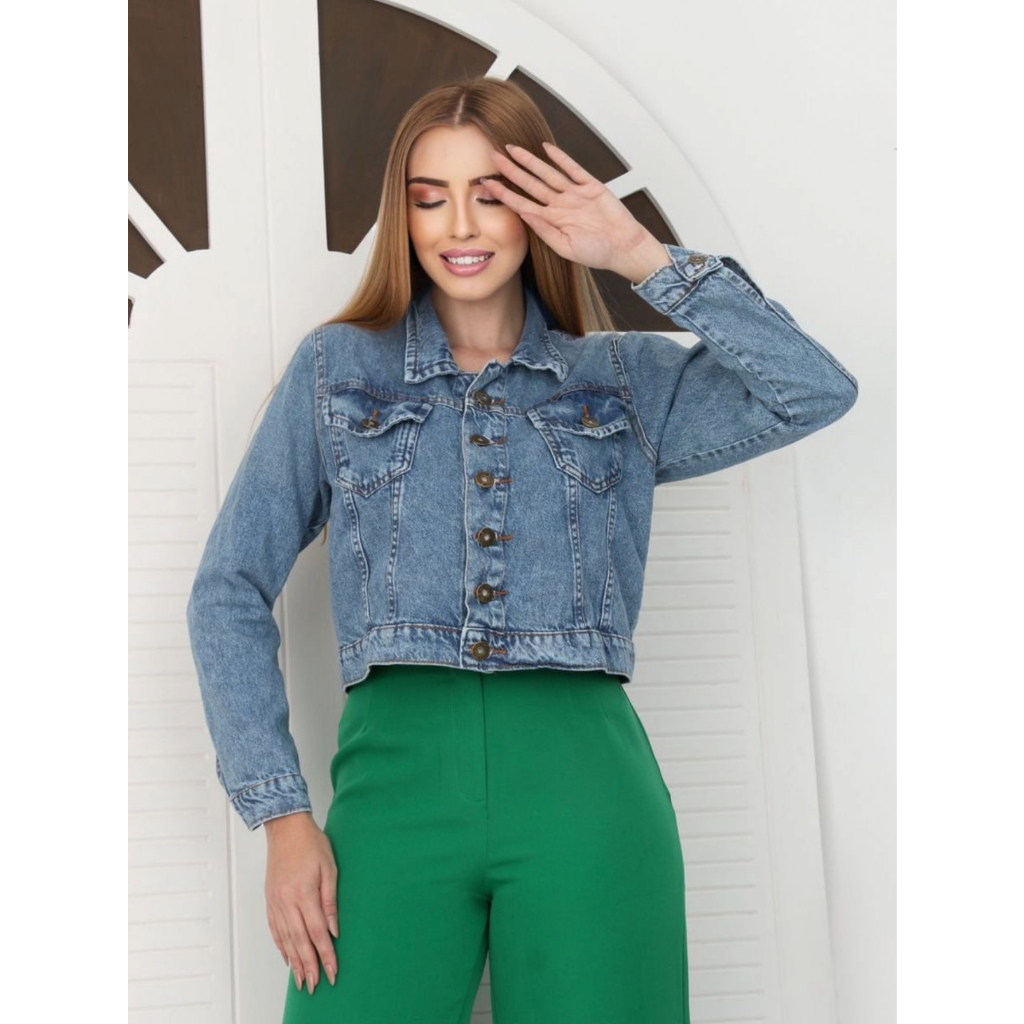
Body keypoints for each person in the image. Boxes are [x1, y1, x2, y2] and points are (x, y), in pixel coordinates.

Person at [186, 77, 858, 1023]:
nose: (459, 225)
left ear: (538, 208)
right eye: (430, 198)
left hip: (586, 788)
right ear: (404, 217)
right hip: (394, 787)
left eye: (490, 194)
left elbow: (813, 389)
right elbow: (227, 588)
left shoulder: (621, 380)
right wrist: (282, 817)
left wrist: (638, 255)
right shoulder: (338, 371)